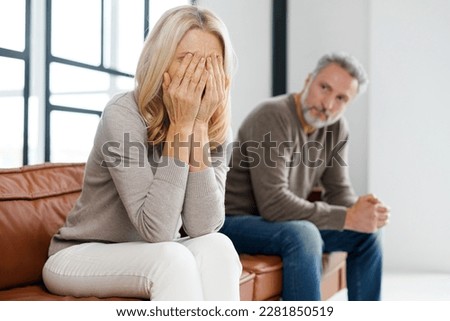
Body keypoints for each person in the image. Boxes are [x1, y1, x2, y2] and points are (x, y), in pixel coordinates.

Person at [43, 5, 242, 301]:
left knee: (219, 247)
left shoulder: (212, 123)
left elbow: (204, 227)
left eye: (211, 64)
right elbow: (157, 229)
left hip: (151, 251)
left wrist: (198, 125)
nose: (198, 76)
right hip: (81, 254)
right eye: (187, 62)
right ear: (160, 62)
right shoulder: (123, 112)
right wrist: (181, 126)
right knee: (172, 259)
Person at [220, 52, 390, 301]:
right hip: (236, 221)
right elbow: (274, 204)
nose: (328, 104)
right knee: (304, 234)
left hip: (284, 222)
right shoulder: (272, 116)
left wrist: (365, 211)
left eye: (341, 98)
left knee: (369, 232)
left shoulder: (336, 127)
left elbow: (339, 190)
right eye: (324, 88)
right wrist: (347, 217)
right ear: (308, 80)